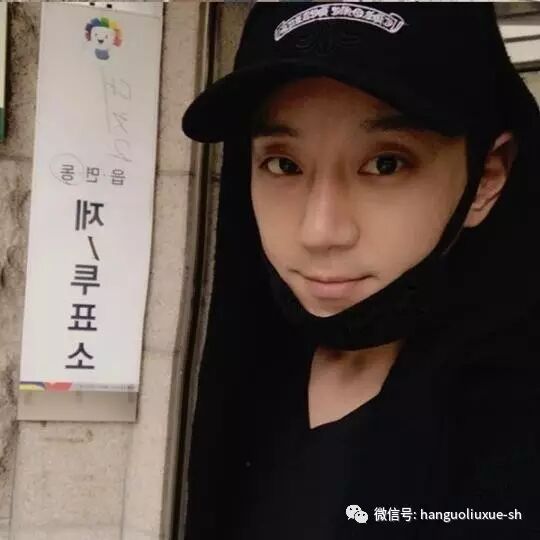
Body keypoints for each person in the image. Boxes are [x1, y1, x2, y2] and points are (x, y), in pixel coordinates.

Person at [181, 3, 540, 539]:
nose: (319, 231)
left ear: (486, 179)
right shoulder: (255, 369)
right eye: (283, 164)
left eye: (386, 164)